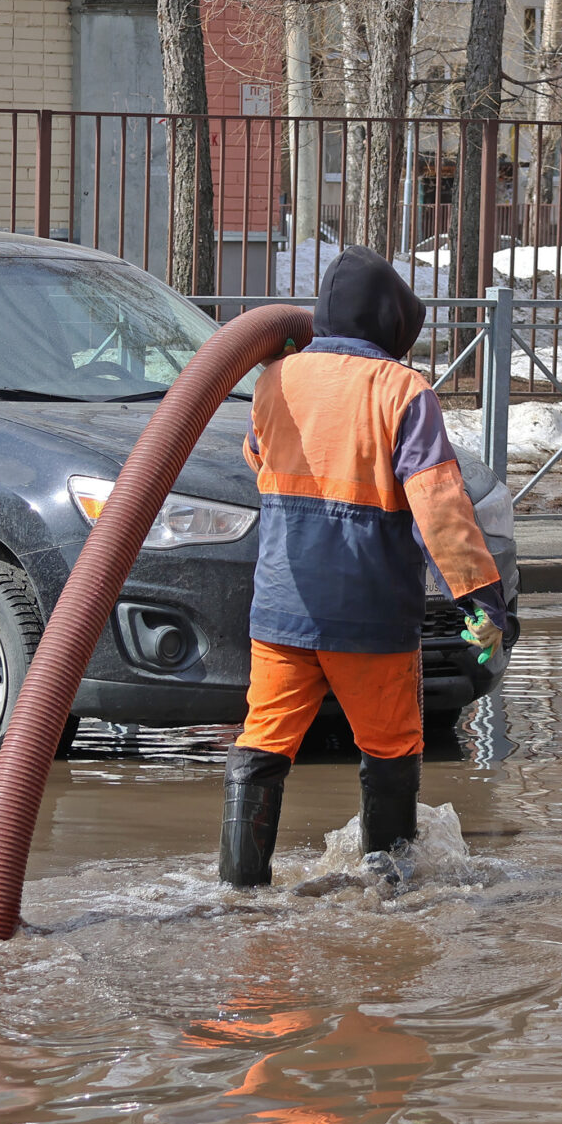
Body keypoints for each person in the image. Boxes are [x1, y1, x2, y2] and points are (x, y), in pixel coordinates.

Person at [220, 248, 514, 886]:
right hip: (372, 615)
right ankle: (387, 891)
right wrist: (483, 599)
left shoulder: (274, 380)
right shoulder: (402, 390)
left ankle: (240, 891)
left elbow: (257, 459)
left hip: (281, 609)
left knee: (262, 746)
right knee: (389, 746)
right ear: (390, 325)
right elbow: (439, 505)